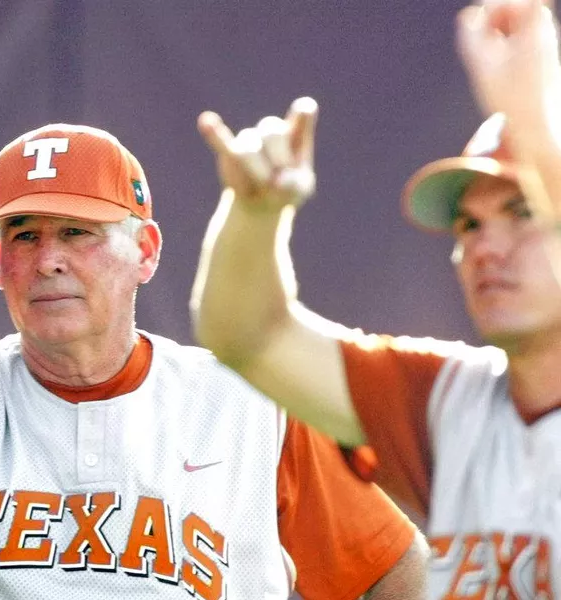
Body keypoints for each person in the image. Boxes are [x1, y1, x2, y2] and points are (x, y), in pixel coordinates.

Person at [0, 36, 427, 600]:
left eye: (77, 231)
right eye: (24, 235)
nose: (48, 261)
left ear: (145, 252)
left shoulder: (249, 406)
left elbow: (393, 570)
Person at [191, 0, 561, 597]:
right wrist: (256, 214)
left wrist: (536, 123)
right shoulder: (449, 401)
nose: (487, 247)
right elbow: (247, 337)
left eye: (522, 212)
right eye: (468, 226)